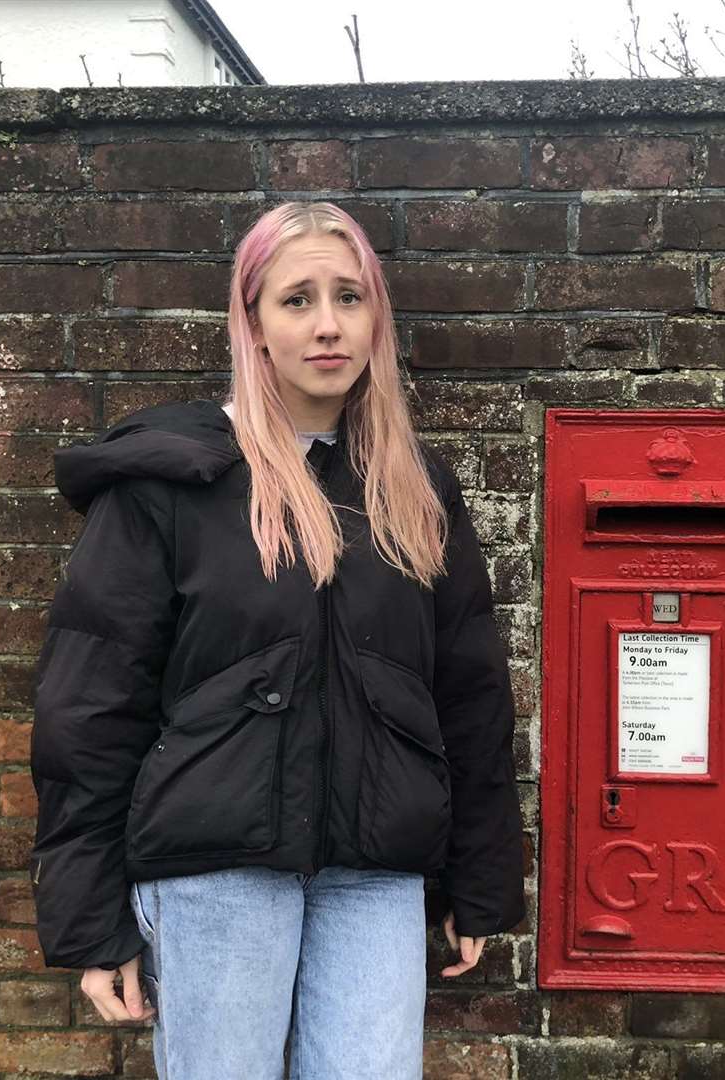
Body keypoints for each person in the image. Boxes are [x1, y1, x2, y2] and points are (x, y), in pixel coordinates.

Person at [28, 200, 526, 1078]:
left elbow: (469, 696)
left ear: (378, 316)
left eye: (349, 296)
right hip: (214, 872)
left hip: (372, 875)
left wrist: (478, 879)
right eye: (296, 300)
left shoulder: (414, 489)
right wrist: (88, 914)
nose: (328, 325)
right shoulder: (171, 486)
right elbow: (90, 707)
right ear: (253, 324)